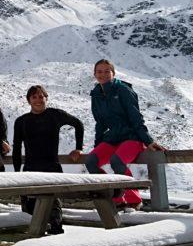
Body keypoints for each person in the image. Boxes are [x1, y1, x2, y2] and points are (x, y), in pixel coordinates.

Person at [84, 59, 164, 210]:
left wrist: (148, 141)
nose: (103, 74)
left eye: (107, 71)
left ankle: (131, 199)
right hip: (112, 138)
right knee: (91, 162)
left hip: (131, 137)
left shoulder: (123, 90)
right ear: (95, 74)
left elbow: (136, 117)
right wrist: (98, 145)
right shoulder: (96, 95)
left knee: (117, 162)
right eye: (99, 71)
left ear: (113, 73)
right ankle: (112, 194)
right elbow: (100, 123)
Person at [13, 85, 84, 234]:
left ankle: (56, 239)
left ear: (46, 98)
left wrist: (78, 147)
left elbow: (78, 124)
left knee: (53, 207)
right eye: (34, 97)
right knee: (29, 211)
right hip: (30, 169)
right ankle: (33, 243)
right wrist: (16, 172)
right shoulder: (21, 121)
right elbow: (17, 148)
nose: (38, 100)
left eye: (41, 96)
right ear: (29, 100)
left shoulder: (55, 115)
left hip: (52, 167)